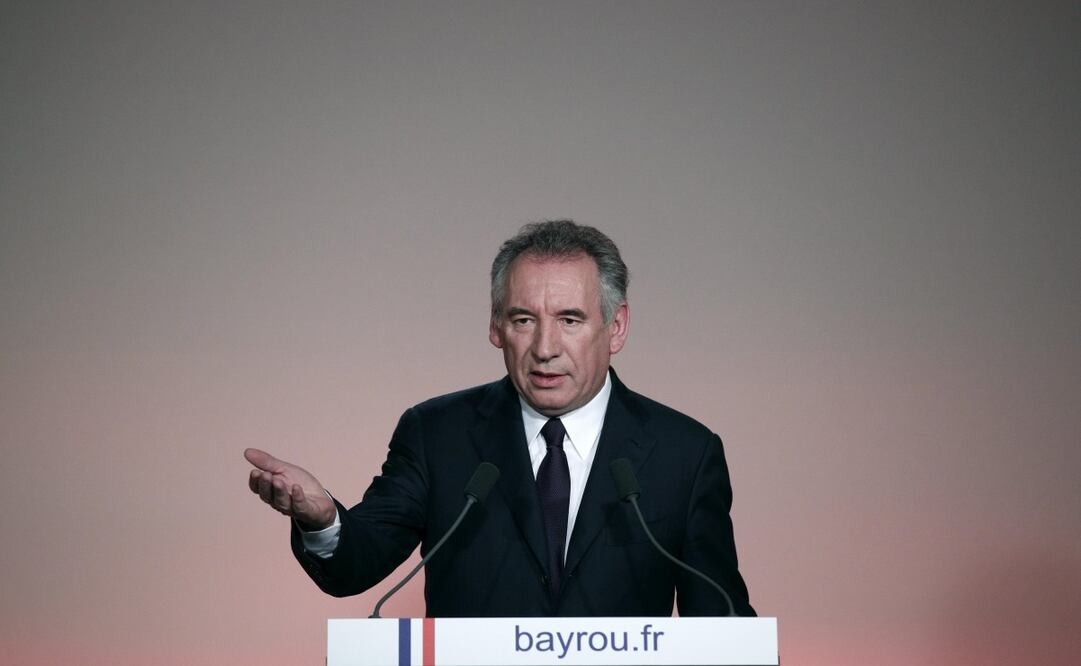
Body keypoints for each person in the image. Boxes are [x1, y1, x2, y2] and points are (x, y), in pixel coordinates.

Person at [245, 220, 755, 617]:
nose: (545, 348)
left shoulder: (684, 454)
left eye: (570, 320)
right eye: (523, 319)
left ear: (616, 327)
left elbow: (721, 617)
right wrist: (322, 521)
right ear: (496, 327)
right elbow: (356, 564)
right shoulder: (437, 435)